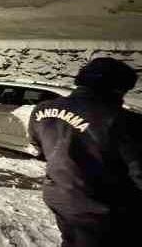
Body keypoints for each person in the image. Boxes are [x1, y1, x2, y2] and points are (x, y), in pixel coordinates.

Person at [28, 58, 142, 247]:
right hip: (103, 208)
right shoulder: (124, 121)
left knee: (71, 239)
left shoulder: (42, 109)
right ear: (117, 88)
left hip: (60, 194)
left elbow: (38, 146)